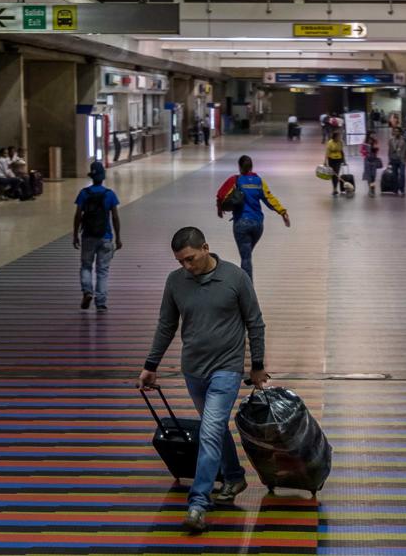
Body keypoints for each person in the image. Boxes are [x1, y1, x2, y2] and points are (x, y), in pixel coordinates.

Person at [138, 227, 268, 535]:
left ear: (206, 248)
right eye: (180, 261)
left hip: (227, 369)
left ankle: (197, 503)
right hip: (193, 370)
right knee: (215, 426)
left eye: (191, 259)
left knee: (209, 432)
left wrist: (258, 365)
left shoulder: (235, 278)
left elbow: (255, 322)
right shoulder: (175, 282)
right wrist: (150, 365)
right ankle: (234, 476)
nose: (186, 266)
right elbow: (166, 325)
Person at [216, 155, 290, 280]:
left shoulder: (235, 180)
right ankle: (243, 281)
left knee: (246, 258)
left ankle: (247, 288)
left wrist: (219, 209)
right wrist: (282, 212)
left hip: (242, 223)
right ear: (251, 167)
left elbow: (220, 194)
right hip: (258, 225)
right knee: (247, 255)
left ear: (239, 167)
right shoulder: (259, 181)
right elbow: (269, 199)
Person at [72, 161, 122, 313]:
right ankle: (100, 302)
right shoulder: (110, 194)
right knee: (102, 271)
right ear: (103, 177)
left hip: (87, 236)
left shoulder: (83, 193)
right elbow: (115, 217)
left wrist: (75, 235)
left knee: (86, 266)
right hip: (105, 236)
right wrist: (118, 237)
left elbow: (78, 215)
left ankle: (87, 291)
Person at [387, 127, 406, 196]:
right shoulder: (391, 140)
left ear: (400, 132)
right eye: (395, 131)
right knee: (394, 175)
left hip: (402, 160)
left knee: (402, 175)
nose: (396, 133)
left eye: (398, 131)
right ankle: (395, 189)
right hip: (393, 159)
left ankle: (402, 190)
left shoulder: (405, 140)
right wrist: (389, 159)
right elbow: (389, 150)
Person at [324, 132, 346, 196]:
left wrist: (344, 160)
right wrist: (325, 161)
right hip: (331, 159)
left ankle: (335, 189)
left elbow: (342, 151)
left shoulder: (340, 142)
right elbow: (327, 152)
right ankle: (335, 188)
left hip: (339, 159)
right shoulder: (330, 142)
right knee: (334, 174)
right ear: (334, 137)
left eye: (340, 136)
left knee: (337, 173)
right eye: (338, 136)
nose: (339, 138)